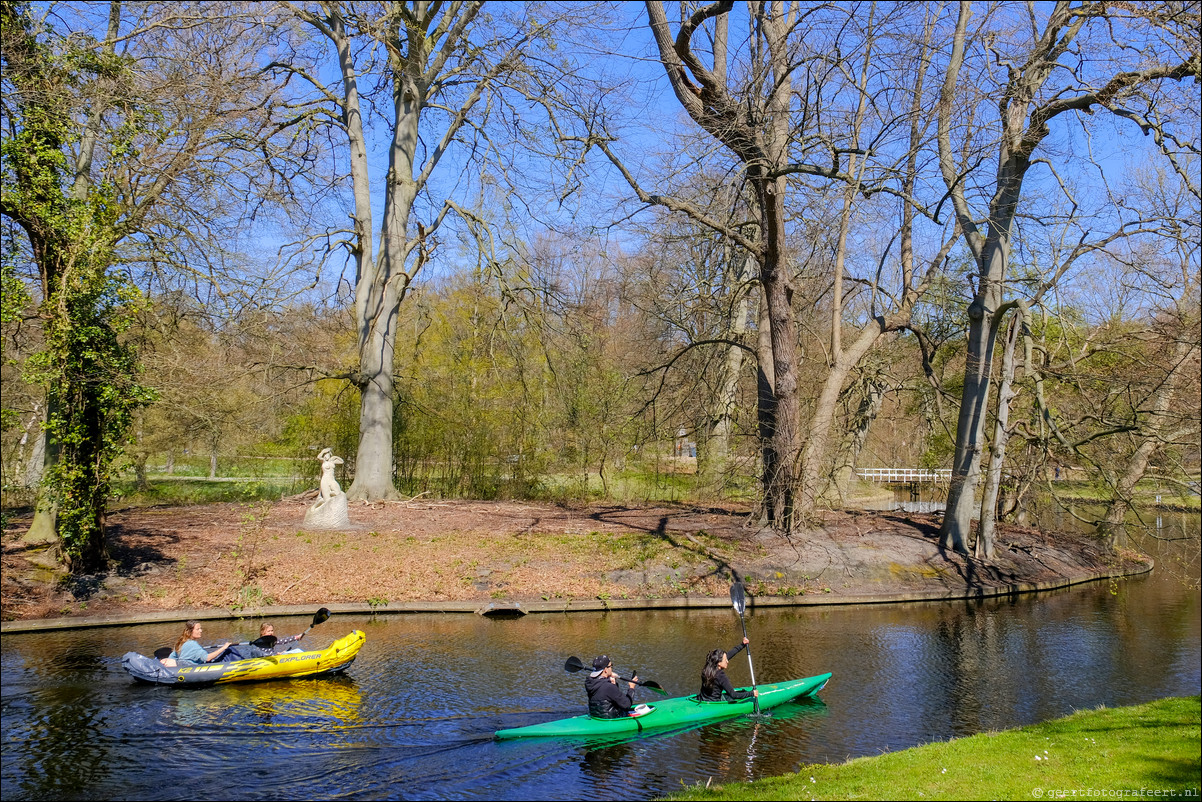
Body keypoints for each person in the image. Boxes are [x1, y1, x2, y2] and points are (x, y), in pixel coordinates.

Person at [698, 637, 760, 702]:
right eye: (725, 660)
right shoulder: (720, 676)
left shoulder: (708, 667)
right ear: (719, 662)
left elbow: (729, 655)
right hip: (715, 704)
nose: (727, 661)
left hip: (703, 700)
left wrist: (742, 645)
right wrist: (752, 693)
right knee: (739, 695)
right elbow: (734, 695)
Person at [160, 621, 231, 667]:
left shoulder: (181, 642)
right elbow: (207, 658)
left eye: (200, 628)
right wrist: (224, 647)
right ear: (190, 632)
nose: (201, 631)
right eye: (198, 629)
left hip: (181, 666)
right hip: (189, 669)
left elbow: (173, 656)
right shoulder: (193, 645)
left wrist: (166, 661)